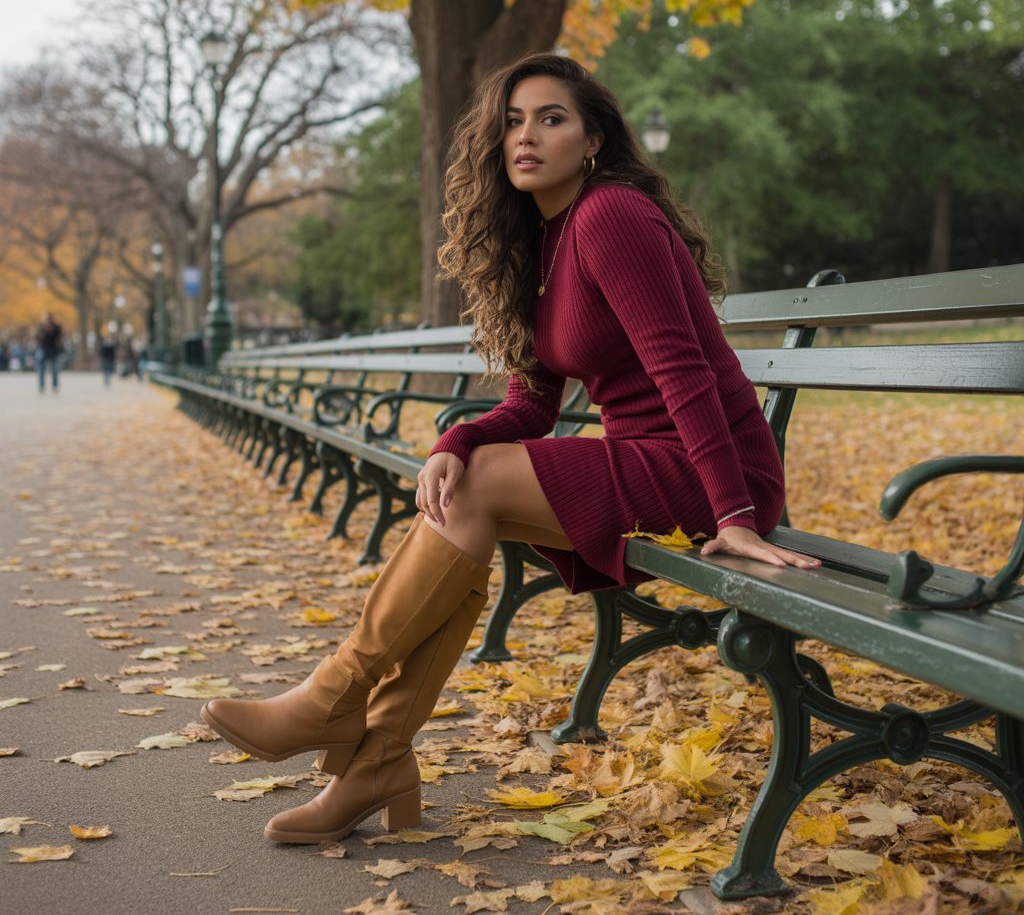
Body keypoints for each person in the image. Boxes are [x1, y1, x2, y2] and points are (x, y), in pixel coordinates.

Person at [200, 54, 820, 845]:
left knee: (476, 492)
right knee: (464, 494)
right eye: (513, 121)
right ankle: (377, 762)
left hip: (710, 474)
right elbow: (534, 402)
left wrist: (733, 513)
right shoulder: (543, 239)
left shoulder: (611, 216)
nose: (526, 136)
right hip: (652, 463)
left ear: (593, 140)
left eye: (551, 118)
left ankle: (334, 700)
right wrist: (456, 440)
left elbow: (682, 369)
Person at [35, 313, 62, 394]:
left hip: (53, 350)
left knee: (54, 369)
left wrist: (51, 331)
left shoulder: (56, 327)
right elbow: (37, 337)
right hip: (44, 349)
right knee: (41, 369)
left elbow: (58, 338)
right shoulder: (41, 327)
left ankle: (55, 386)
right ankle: (42, 386)